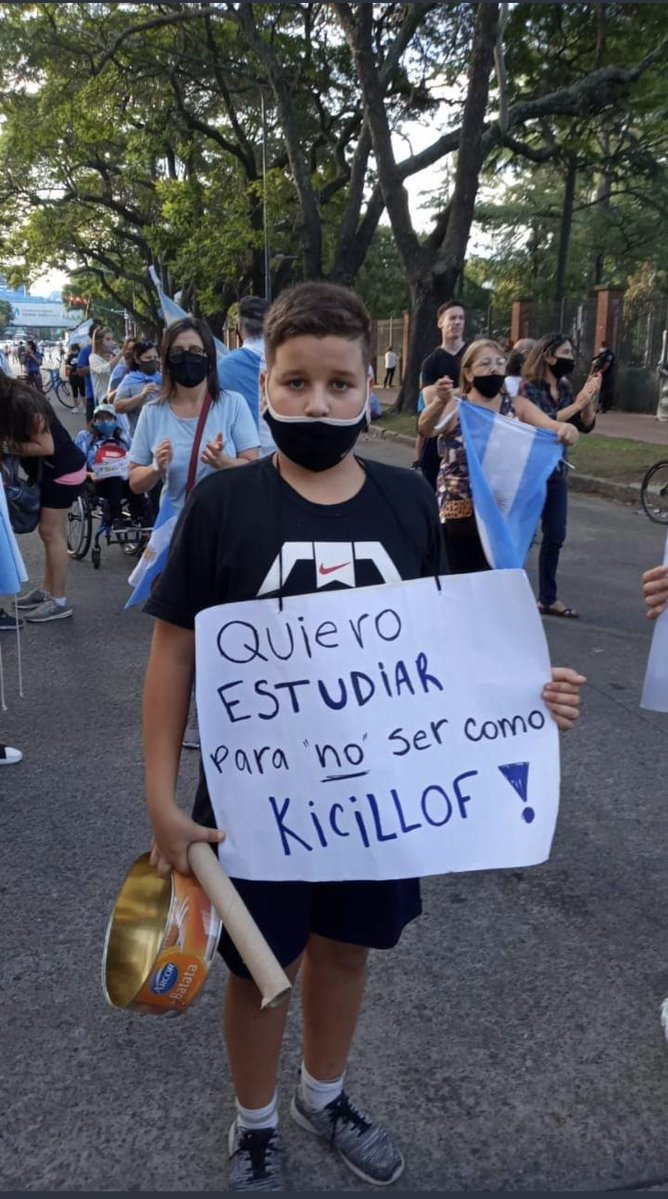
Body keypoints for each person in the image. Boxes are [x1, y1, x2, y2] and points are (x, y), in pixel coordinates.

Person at [139, 282, 585, 1192]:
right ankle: (255, 1119)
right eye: (296, 382)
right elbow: (173, 653)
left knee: (345, 951)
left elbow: (445, 649)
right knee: (262, 965)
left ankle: (324, 1093)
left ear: (370, 391)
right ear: (264, 383)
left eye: (339, 384)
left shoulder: (406, 502)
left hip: (380, 798)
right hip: (256, 804)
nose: (317, 402)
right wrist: (159, 798)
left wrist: (525, 697)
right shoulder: (224, 505)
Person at [418, 339, 578, 574]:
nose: (494, 369)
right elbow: (426, 428)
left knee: (496, 576)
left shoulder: (517, 406)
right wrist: (439, 402)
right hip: (460, 510)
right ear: (468, 373)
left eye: (500, 363)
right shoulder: (456, 406)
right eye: (485, 364)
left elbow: (552, 426)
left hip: (501, 508)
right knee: (460, 577)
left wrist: (567, 430)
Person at [128, 316, 259, 516]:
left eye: (196, 351)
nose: (187, 358)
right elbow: (135, 482)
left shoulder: (233, 404)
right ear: (167, 361)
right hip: (177, 527)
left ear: (210, 358)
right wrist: (155, 468)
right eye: (177, 352)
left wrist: (224, 463)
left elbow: (254, 469)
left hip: (226, 524)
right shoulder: (152, 412)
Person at [519, 333, 601, 619]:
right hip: (530, 473)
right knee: (523, 537)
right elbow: (545, 422)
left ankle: (548, 598)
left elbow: (585, 425)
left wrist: (587, 399)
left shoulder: (565, 387)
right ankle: (509, 593)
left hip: (557, 472)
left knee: (556, 535)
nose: (570, 358)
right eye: (565, 352)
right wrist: (576, 405)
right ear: (548, 356)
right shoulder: (528, 388)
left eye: (571, 352)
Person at [0, 376, 86, 623]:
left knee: (52, 533)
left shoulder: (22, 401)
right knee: (49, 533)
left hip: (63, 470)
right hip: (56, 470)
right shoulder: (15, 398)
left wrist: (6, 446)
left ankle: (58, 600)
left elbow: (46, 446)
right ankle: (48, 590)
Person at [415, 301, 468, 490]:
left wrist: (450, 393)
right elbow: (433, 406)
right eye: (452, 318)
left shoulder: (474, 355)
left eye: (461, 318)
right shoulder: (431, 363)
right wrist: (466, 391)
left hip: (471, 439)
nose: (457, 322)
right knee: (434, 498)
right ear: (440, 323)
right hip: (437, 444)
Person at [218, 296, 275, 457]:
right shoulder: (290, 360)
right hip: (286, 458)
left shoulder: (224, 367)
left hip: (242, 458)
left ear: (239, 327)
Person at [75, 402, 149, 528]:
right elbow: (76, 464)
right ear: (94, 421)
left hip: (122, 475)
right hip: (96, 479)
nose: (105, 422)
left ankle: (141, 516)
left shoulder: (123, 437)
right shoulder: (85, 437)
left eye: (109, 418)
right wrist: (90, 474)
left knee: (134, 479)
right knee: (114, 479)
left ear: (115, 420)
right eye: (101, 419)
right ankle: (116, 517)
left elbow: (134, 456)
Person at [114, 339, 162, 437]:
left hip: (162, 434)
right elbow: (118, 406)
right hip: (139, 435)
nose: (152, 361)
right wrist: (141, 396)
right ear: (137, 359)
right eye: (148, 358)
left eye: (155, 357)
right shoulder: (130, 380)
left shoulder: (162, 379)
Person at [89, 326, 124, 407]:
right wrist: (119, 355)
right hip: (104, 402)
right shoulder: (93, 357)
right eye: (108, 339)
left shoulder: (114, 354)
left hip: (119, 399)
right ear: (99, 342)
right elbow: (104, 370)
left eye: (112, 339)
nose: (112, 342)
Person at [76, 320, 101, 423]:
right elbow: (80, 371)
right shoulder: (86, 351)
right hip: (92, 396)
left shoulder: (110, 350)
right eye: (97, 334)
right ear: (91, 336)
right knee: (92, 426)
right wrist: (97, 366)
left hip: (108, 395)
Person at [591, 339, 616, 413]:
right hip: (598, 375)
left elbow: (607, 364)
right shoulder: (601, 354)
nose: (602, 347)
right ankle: (596, 407)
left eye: (603, 346)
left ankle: (603, 407)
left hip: (606, 375)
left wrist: (600, 371)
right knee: (597, 391)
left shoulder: (610, 354)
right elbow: (594, 360)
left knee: (604, 391)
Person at [64, 342, 85, 411]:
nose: (74, 351)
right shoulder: (70, 356)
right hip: (73, 376)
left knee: (83, 392)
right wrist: (70, 367)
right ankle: (76, 407)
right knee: (74, 391)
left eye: (75, 349)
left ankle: (85, 407)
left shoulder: (81, 355)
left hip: (80, 375)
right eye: (73, 350)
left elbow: (84, 364)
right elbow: (66, 365)